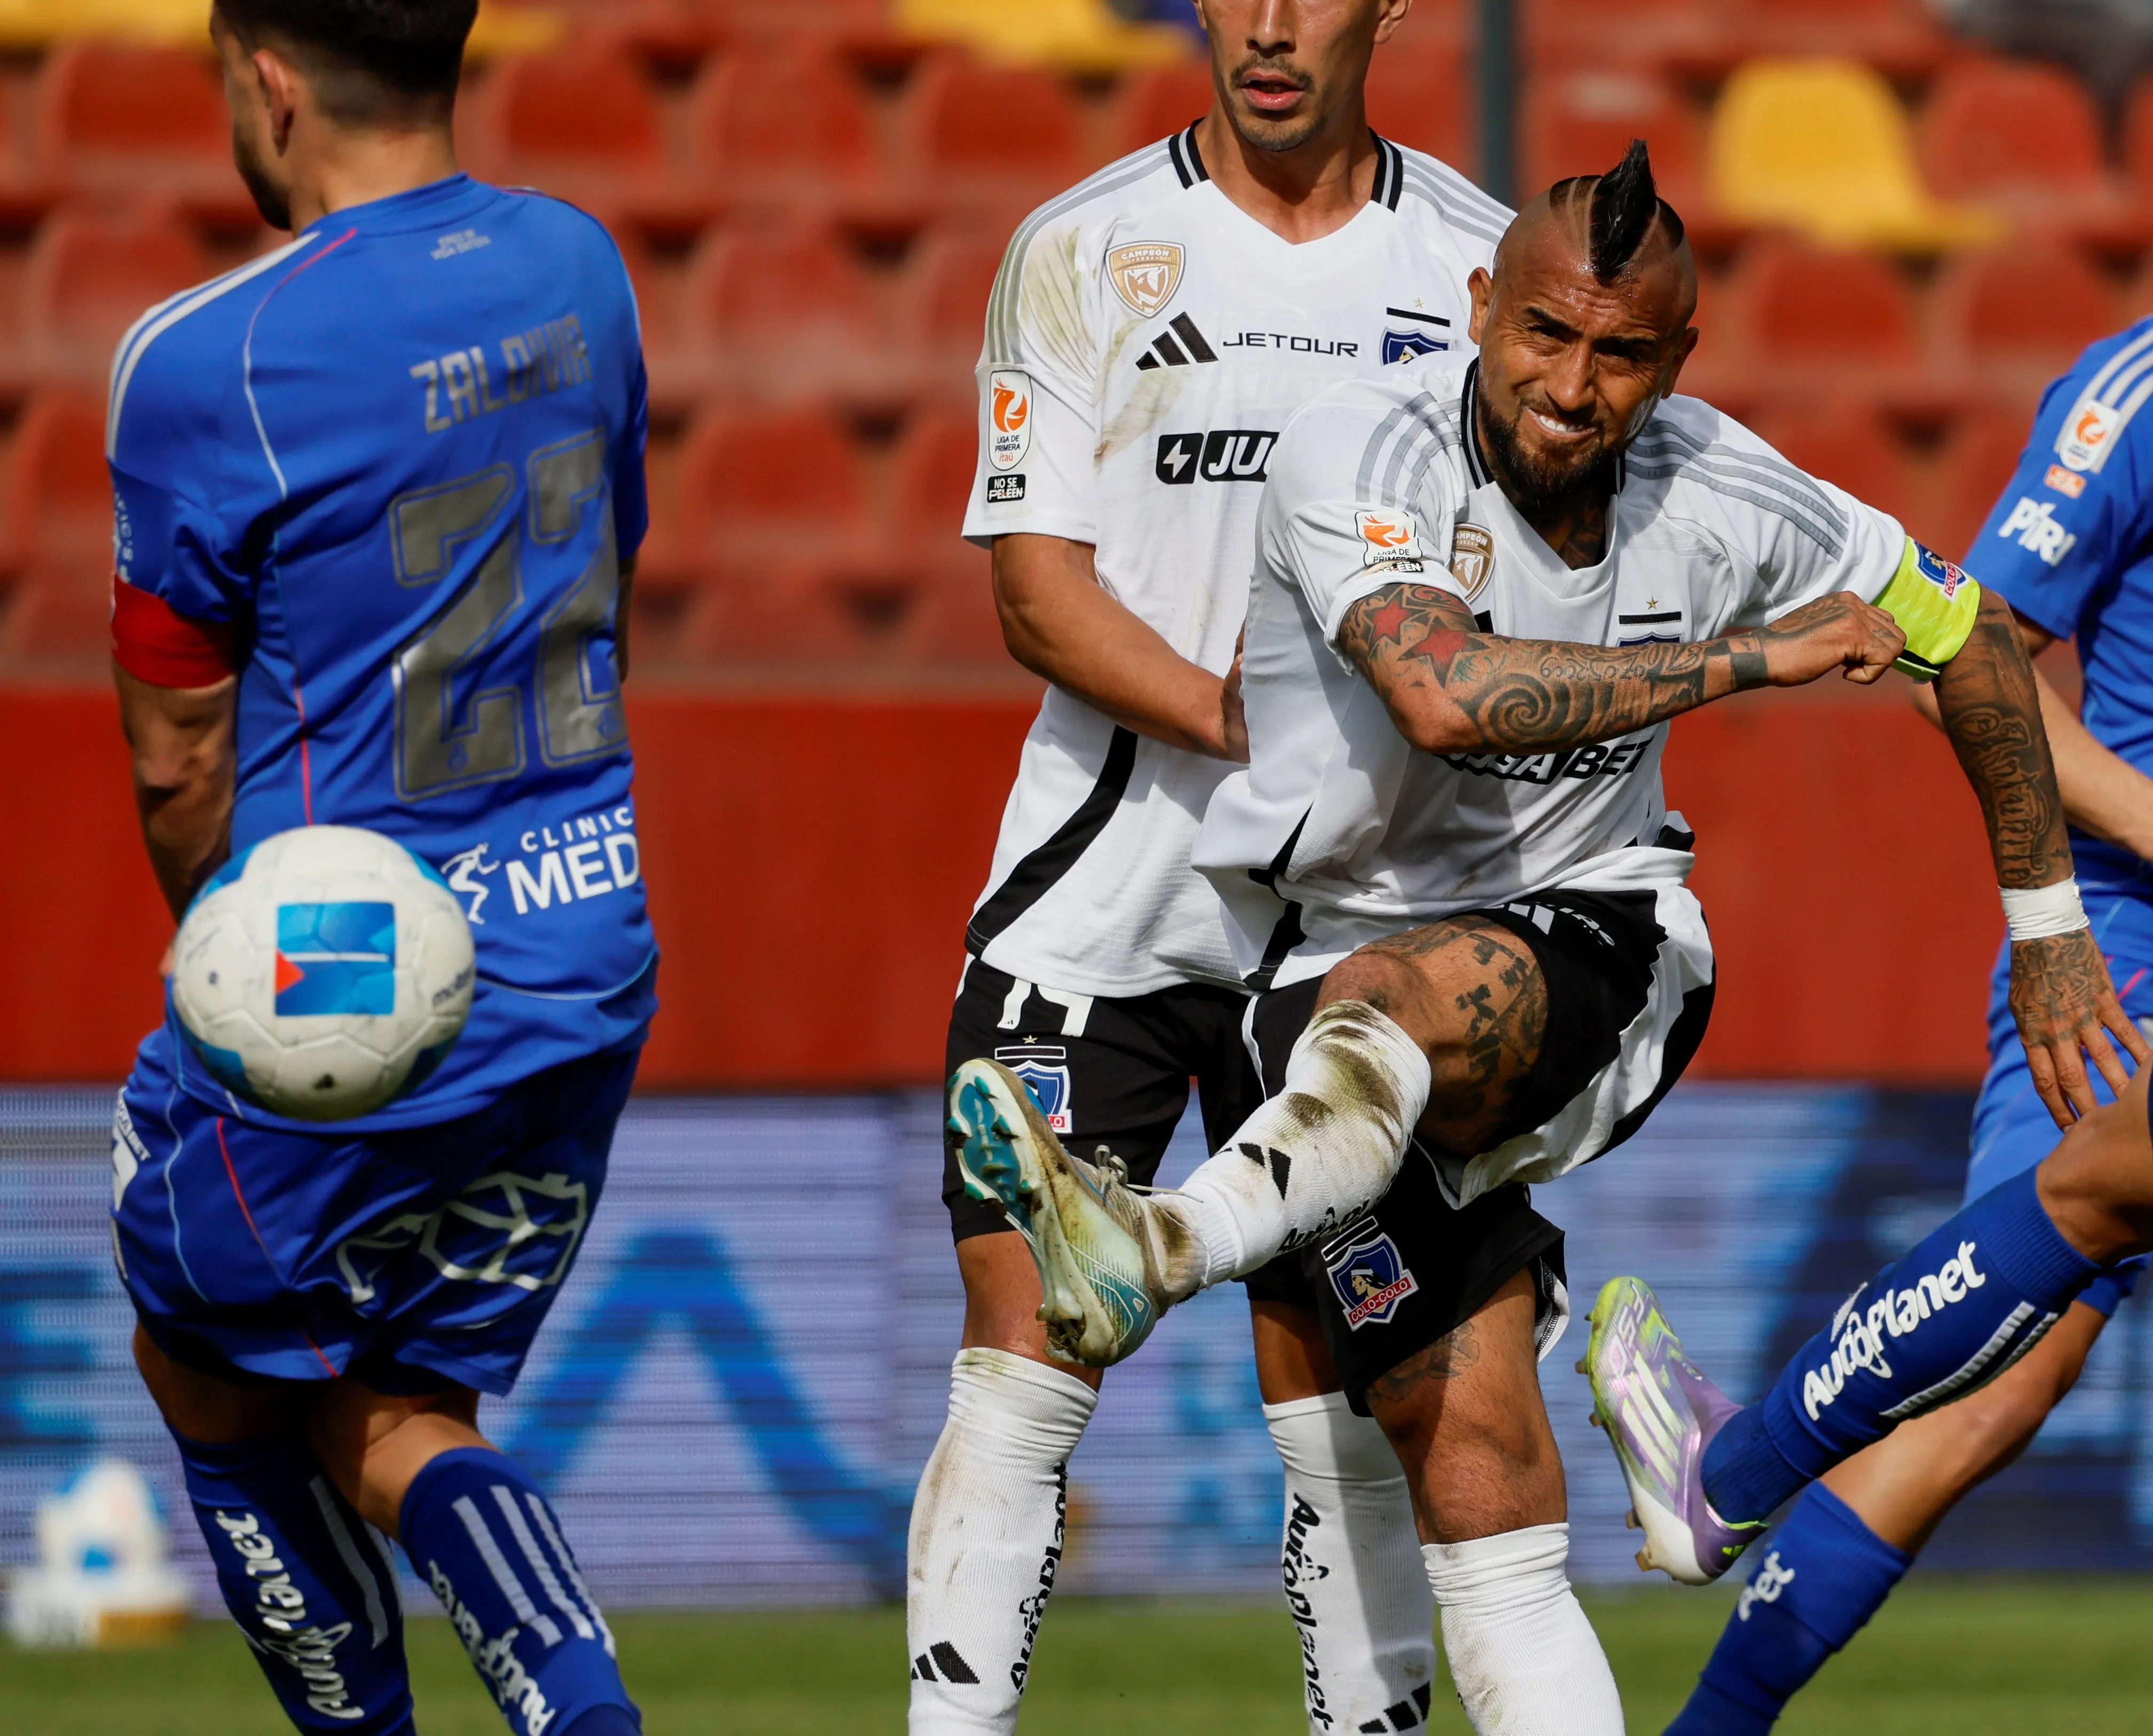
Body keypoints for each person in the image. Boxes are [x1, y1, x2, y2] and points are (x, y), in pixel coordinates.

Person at [948, 142, 2144, 1735]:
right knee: (1473, 1458)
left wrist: (2048, 922)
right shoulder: (1356, 451)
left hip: (1600, 937)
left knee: (1394, 1004)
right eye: (1544, 335)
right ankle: (1704, 1474)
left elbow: (1974, 635)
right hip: (1309, 980)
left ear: (1682, 359)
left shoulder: (1726, 485)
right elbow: (1445, 695)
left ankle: (1161, 1247)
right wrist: (1749, 661)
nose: (1574, 389)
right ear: (1476, 307)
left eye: (1622, 354)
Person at [912, 1, 1515, 1729]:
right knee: (1022, 1378)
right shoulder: (1080, 248)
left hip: (1352, 925)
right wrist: (1255, 725)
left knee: (1352, 1411)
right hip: (1103, 905)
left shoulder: (1480, 266)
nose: (1264, 24)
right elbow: (1037, 592)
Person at [106, 4, 653, 1733]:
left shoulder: (209, 357)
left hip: (336, 958)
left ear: (268, 79)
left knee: (203, 1362)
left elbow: (176, 753)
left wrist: (232, 959)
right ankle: (586, 1714)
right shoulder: (580, 267)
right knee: (396, 1409)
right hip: (584, 933)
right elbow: (610, 571)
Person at [1653, 313, 2153, 1732]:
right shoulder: (2131, 396)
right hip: (2133, 936)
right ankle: (1726, 1500)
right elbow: (1966, 656)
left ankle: (1727, 1474)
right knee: (1995, 1384)